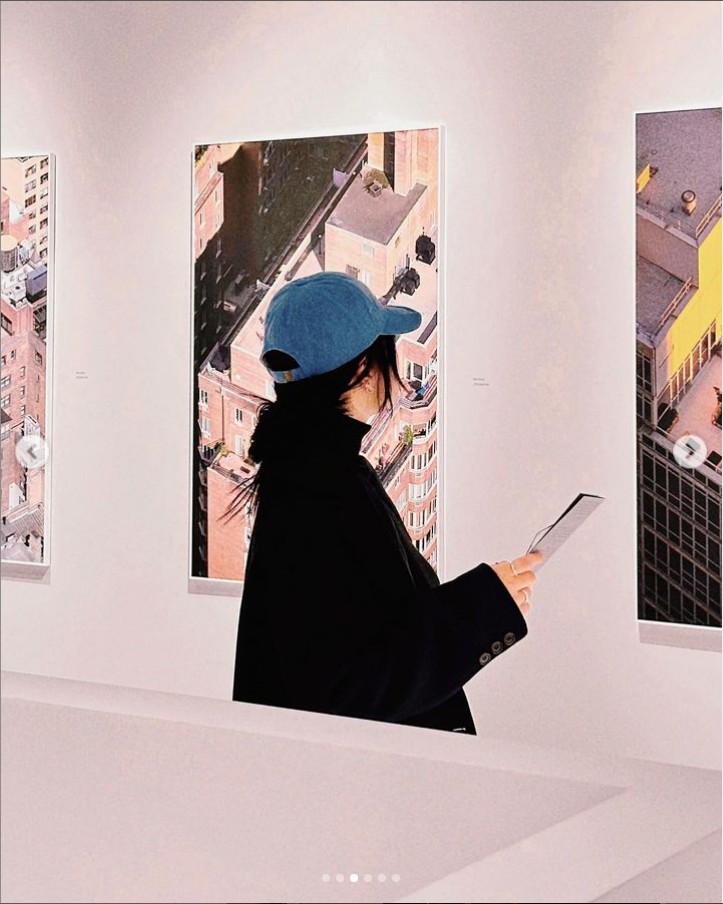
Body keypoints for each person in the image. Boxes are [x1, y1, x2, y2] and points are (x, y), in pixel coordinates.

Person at [226, 271, 542, 735]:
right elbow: (349, 687)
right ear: (363, 371)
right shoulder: (321, 490)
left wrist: (485, 602)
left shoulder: (303, 473)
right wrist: (483, 609)